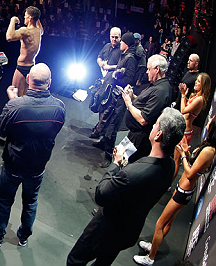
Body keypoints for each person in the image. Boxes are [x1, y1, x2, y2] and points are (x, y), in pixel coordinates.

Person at [67, 108, 186, 266]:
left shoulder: (132, 174)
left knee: (75, 260)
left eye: (156, 124)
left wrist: (115, 165)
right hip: (128, 231)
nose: (152, 126)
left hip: (105, 230)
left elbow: (101, 194)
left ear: (159, 135)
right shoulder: (170, 166)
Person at [0, 63, 65, 249]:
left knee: (4, 202)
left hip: (13, 166)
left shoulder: (15, 105)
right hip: (37, 168)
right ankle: (23, 237)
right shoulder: (59, 108)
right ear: (49, 83)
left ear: (27, 80)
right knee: (31, 202)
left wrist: (14, 101)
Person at [133, 113, 216, 266]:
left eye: (212, 120)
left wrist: (183, 156)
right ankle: (154, 247)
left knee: (160, 223)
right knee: (168, 222)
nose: (209, 120)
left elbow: (191, 174)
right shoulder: (208, 146)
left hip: (184, 191)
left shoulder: (209, 151)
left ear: (215, 126)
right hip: (183, 190)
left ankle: (150, 258)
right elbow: (195, 166)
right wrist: (187, 153)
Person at [92, 32, 139, 166]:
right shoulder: (125, 55)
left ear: (127, 44)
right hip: (113, 95)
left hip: (119, 98)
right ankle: (103, 144)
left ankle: (108, 156)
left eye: (122, 41)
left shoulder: (130, 58)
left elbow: (130, 79)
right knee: (106, 121)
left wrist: (115, 76)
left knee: (112, 125)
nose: (120, 44)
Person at [121, 54, 174, 164]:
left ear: (157, 69)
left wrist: (129, 103)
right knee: (120, 159)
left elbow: (143, 119)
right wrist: (132, 96)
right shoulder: (156, 85)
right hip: (134, 135)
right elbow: (146, 103)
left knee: (126, 166)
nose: (146, 72)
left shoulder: (160, 91)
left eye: (149, 69)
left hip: (139, 140)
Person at [5, 6, 43, 97]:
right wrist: (36, 16)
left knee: (14, 94)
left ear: (30, 18)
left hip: (22, 67)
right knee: (25, 95)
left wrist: (13, 20)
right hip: (31, 66)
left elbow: (9, 37)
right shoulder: (39, 31)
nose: (24, 17)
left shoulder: (25, 31)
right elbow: (38, 24)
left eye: (26, 16)